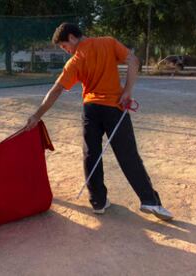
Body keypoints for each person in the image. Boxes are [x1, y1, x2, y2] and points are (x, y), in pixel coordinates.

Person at [25, 23, 173, 220]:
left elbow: (56, 90)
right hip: (114, 107)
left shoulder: (75, 62)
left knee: (91, 154)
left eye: (63, 46)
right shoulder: (108, 42)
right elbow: (134, 61)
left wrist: (36, 115)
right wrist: (127, 91)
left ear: (71, 37)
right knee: (128, 155)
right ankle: (149, 201)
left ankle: (98, 202)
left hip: (91, 110)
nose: (66, 51)